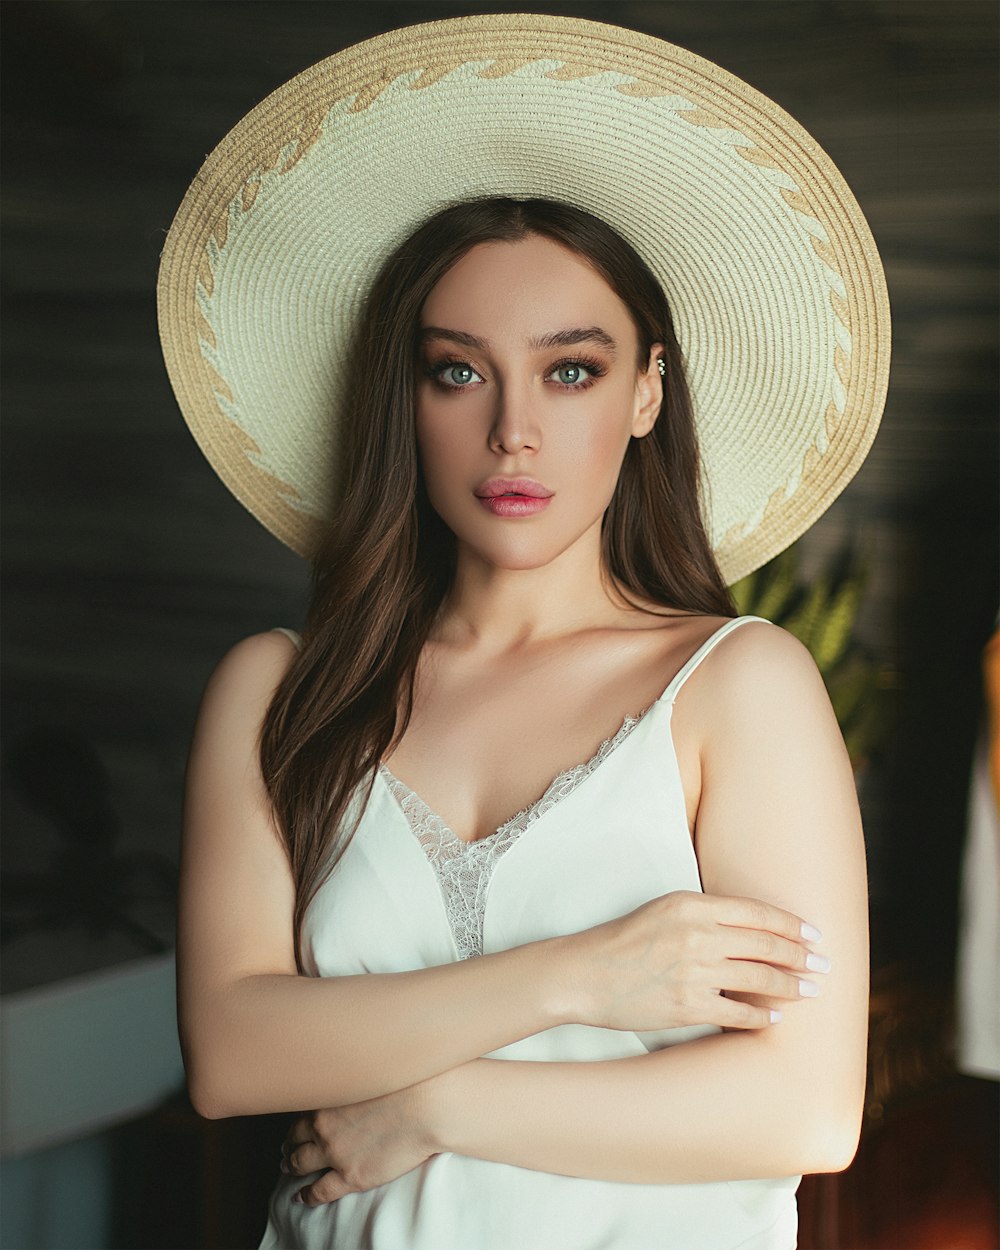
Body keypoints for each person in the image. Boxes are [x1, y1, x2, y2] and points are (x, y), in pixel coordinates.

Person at [159, 15, 889, 1250]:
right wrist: (583, 976)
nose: (512, 432)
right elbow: (234, 1051)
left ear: (647, 390)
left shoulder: (734, 685)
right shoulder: (280, 691)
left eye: (569, 370)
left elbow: (804, 1108)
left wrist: (436, 1102)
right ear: (404, 395)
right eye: (458, 371)